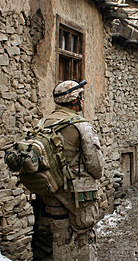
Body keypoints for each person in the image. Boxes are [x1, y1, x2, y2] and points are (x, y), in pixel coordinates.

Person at [40, 80, 104, 261]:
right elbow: (95, 166)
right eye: (81, 97)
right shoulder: (81, 125)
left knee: (59, 237)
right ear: (75, 100)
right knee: (84, 236)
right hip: (79, 193)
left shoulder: (43, 123)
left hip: (51, 189)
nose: (83, 101)